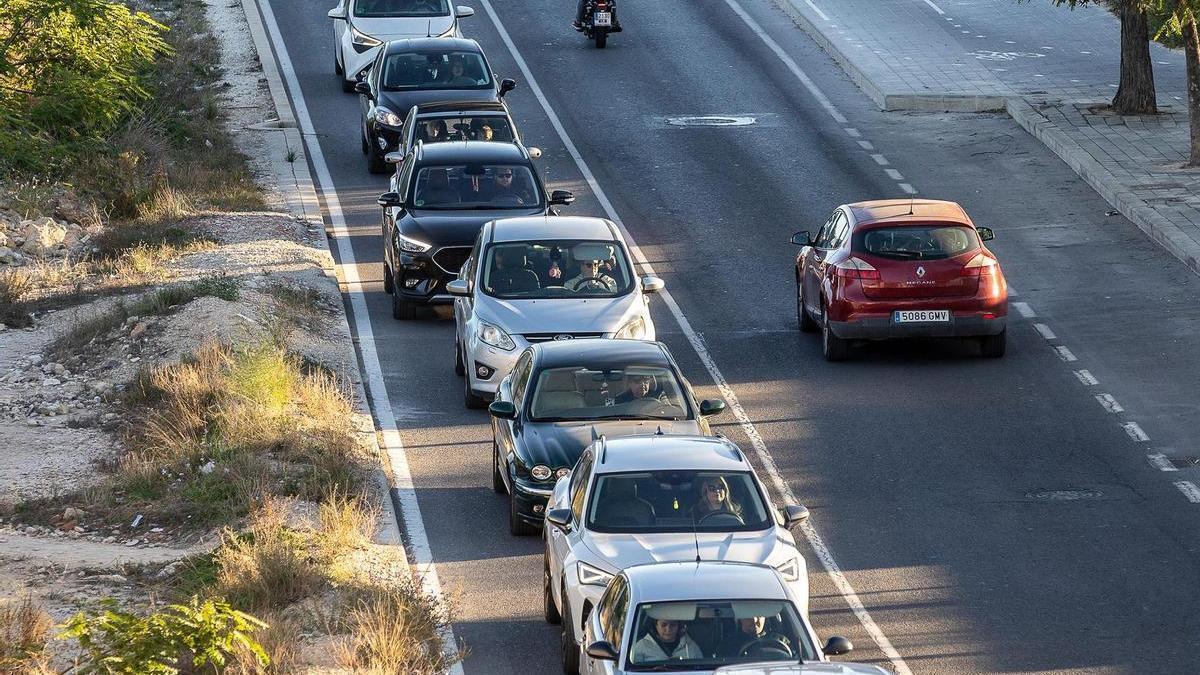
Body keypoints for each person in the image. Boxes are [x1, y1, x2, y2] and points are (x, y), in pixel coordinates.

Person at [630, 618, 703, 663]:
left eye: (673, 625)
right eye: (664, 625)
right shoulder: (642, 646)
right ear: (656, 626)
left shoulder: (691, 646)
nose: (668, 629)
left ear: (678, 626)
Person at [718, 615, 793, 658]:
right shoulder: (728, 645)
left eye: (759, 615)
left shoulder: (782, 641)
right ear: (739, 619)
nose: (754, 620)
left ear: (765, 618)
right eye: (748, 616)